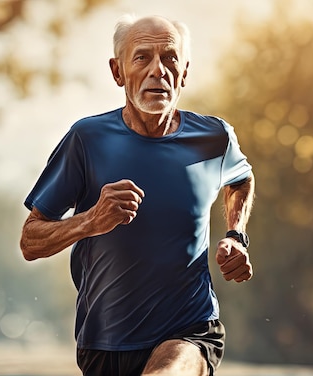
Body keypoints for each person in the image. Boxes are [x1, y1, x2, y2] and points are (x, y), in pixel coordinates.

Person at [20, 14, 255, 376]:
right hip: (104, 341)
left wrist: (236, 234)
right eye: (142, 57)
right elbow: (30, 241)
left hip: (190, 329)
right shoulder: (87, 139)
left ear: (184, 73)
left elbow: (240, 178)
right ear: (118, 72)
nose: (158, 70)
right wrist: (89, 221)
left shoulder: (213, 138)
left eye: (170, 58)